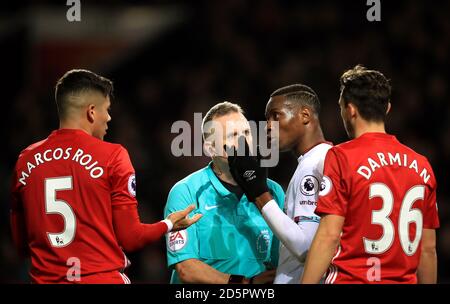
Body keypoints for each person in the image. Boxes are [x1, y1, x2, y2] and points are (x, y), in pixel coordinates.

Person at [10, 69, 201, 284]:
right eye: (107, 110)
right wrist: (167, 224)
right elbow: (130, 238)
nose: (109, 118)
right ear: (91, 112)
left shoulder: (25, 161)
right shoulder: (113, 156)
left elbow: (21, 244)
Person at [301, 65, 439, 284]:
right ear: (387, 108)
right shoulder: (422, 166)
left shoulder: (341, 157)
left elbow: (329, 235)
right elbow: (428, 249)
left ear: (350, 110)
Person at [164, 101, 285, 284]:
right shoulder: (186, 192)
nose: (243, 141)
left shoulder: (273, 192)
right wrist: (244, 284)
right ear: (211, 148)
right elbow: (186, 269)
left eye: (246, 133)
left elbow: (280, 263)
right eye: (233, 135)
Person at [226, 84, 332, 284]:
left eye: (276, 116)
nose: (267, 126)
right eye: (267, 119)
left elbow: (306, 248)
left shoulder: (313, 165)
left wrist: (259, 193)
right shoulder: (318, 160)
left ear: (305, 116)